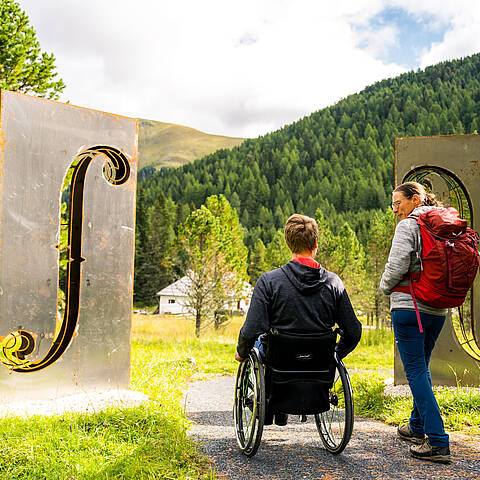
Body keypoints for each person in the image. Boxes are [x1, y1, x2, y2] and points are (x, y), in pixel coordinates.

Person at [235, 213, 362, 426]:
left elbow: (251, 329)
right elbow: (353, 331)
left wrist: (241, 351)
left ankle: (269, 404)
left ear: (288, 243)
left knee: (258, 342)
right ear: (315, 244)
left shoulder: (269, 281)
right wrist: (336, 355)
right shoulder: (334, 283)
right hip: (320, 360)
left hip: (280, 359)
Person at [380, 181, 451, 464]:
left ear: (414, 199)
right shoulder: (441, 223)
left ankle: (437, 441)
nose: (395, 210)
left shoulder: (409, 226)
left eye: (398, 203)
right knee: (422, 366)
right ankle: (417, 426)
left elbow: (396, 266)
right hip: (438, 308)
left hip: (410, 308)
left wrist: (384, 286)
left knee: (416, 372)